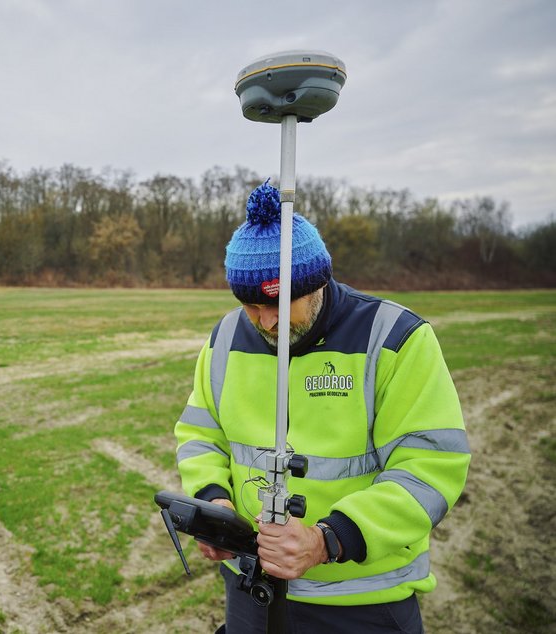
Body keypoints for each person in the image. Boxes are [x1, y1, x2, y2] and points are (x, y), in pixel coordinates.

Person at [174, 181, 470, 633]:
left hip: (362, 604)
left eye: (279, 302)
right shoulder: (226, 339)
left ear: (315, 283)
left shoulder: (394, 338)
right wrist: (214, 504)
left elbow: (430, 466)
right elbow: (200, 434)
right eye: (252, 306)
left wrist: (326, 540)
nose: (267, 321)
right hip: (252, 591)